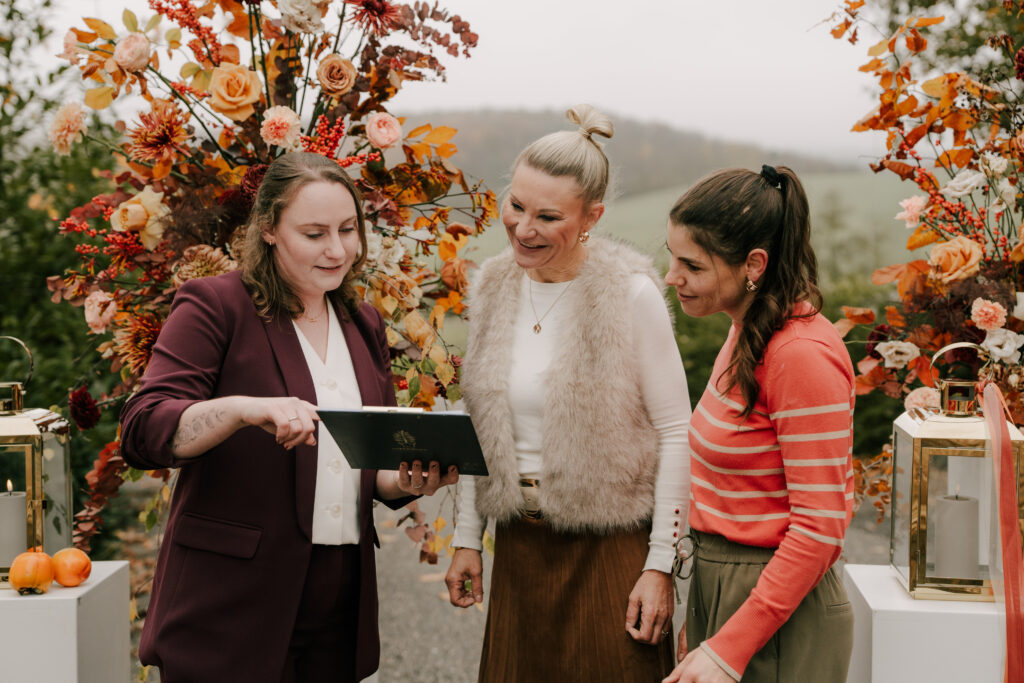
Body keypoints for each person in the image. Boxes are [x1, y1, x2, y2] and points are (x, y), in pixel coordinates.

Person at [119, 151, 457, 683]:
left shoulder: (362, 322)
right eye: (315, 233)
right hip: (230, 601)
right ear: (269, 230)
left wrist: (405, 480)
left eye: (348, 229)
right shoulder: (215, 305)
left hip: (339, 598)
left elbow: (362, 463)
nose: (338, 249)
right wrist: (241, 410)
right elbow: (144, 429)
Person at [443, 105, 692, 682]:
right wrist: (467, 541)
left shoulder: (629, 294)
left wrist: (660, 566)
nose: (523, 229)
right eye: (516, 205)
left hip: (611, 553)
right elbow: (476, 419)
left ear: (591, 216)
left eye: (547, 216)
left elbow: (677, 432)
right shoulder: (494, 286)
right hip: (521, 552)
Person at [662, 165, 855, 683]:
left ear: (754, 264)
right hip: (726, 593)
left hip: (778, 613)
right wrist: (704, 615)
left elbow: (819, 528)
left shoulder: (800, 354)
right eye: (670, 257)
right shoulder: (745, 330)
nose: (671, 277)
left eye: (691, 265)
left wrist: (731, 645)